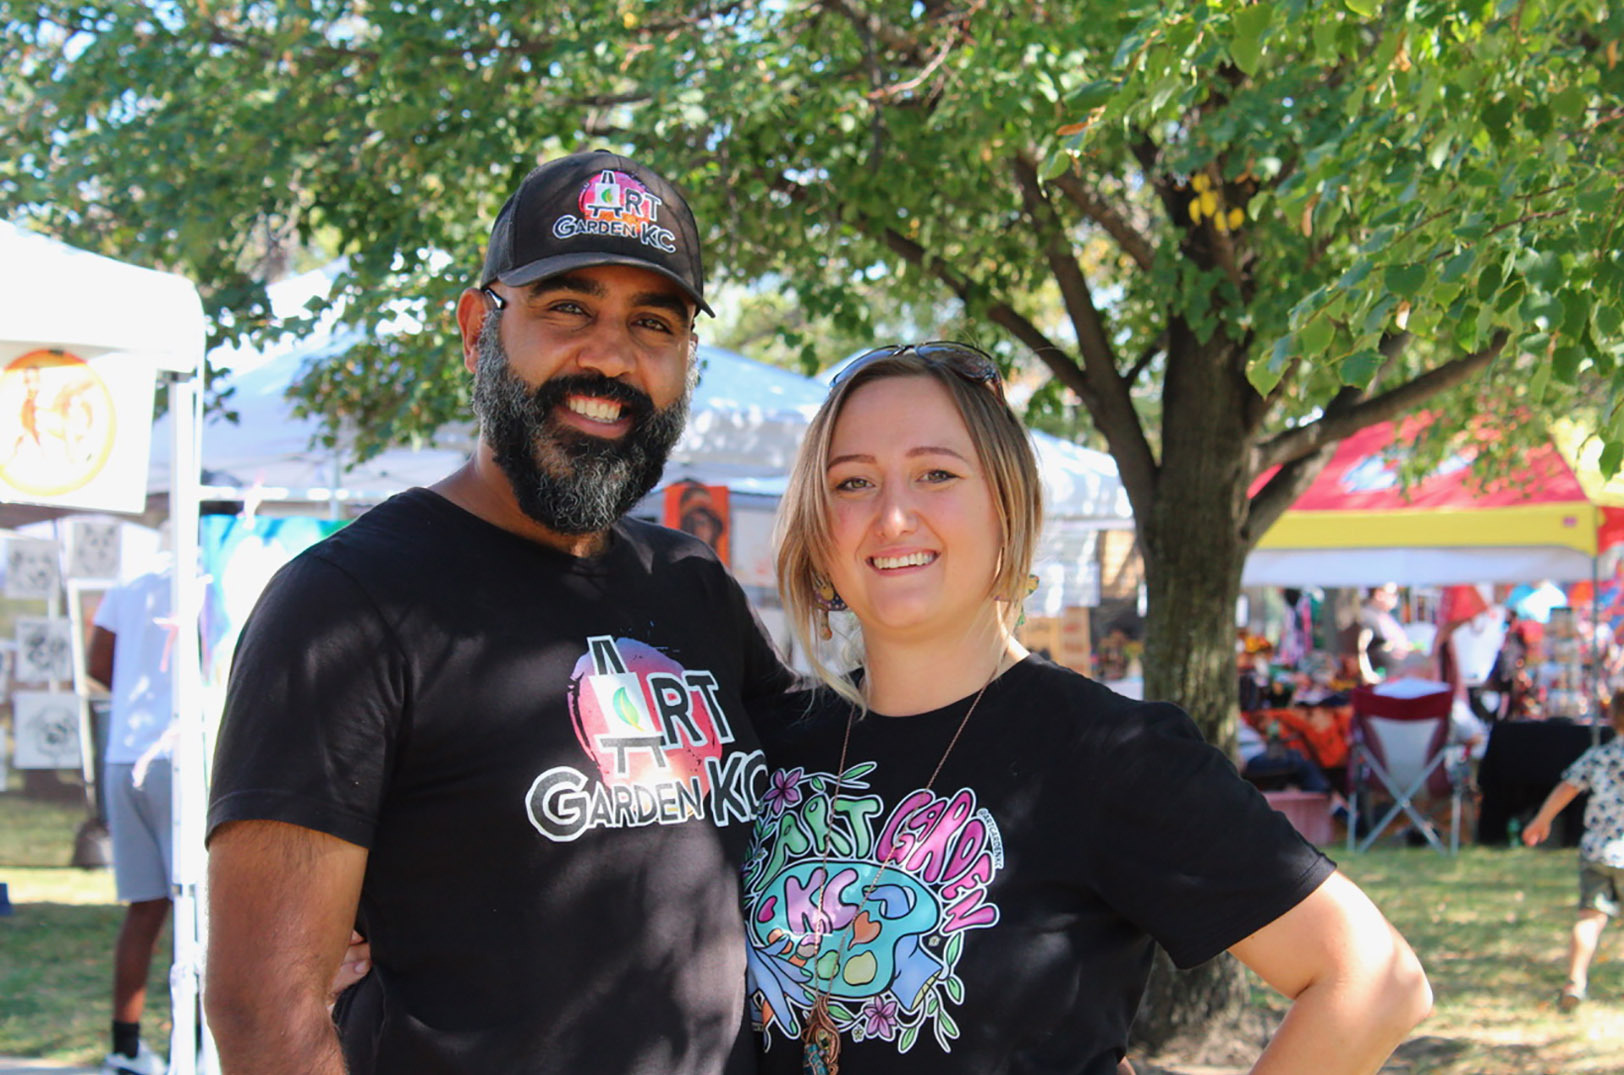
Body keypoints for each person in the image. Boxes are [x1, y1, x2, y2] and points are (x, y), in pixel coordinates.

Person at [204, 150, 795, 1074]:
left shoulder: (692, 584)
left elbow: (850, 789)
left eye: (654, 323)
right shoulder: (347, 607)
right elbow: (262, 1012)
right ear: (480, 328)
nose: (611, 355)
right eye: (568, 307)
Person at [743, 343, 1431, 1074]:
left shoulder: (1109, 753)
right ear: (819, 527)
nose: (892, 514)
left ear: (1007, 507)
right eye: (853, 482)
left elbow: (1374, 983)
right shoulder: (780, 737)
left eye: (935, 473)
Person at [86, 564, 177, 1075]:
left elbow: (99, 661)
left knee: (144, 908)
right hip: (179, 753)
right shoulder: (219, 568)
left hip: (125, 755)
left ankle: (124, 1047)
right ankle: (194, 1038)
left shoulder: (132, 577)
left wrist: (141, 690)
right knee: (195, 908)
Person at [1521, 690, 1624, 1011]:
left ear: (1611, 717)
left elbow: (1568, 786)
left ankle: (1575, 980)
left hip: (1598, 851)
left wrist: (1541, 820)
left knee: (1590, 919)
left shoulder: (1600, 755)